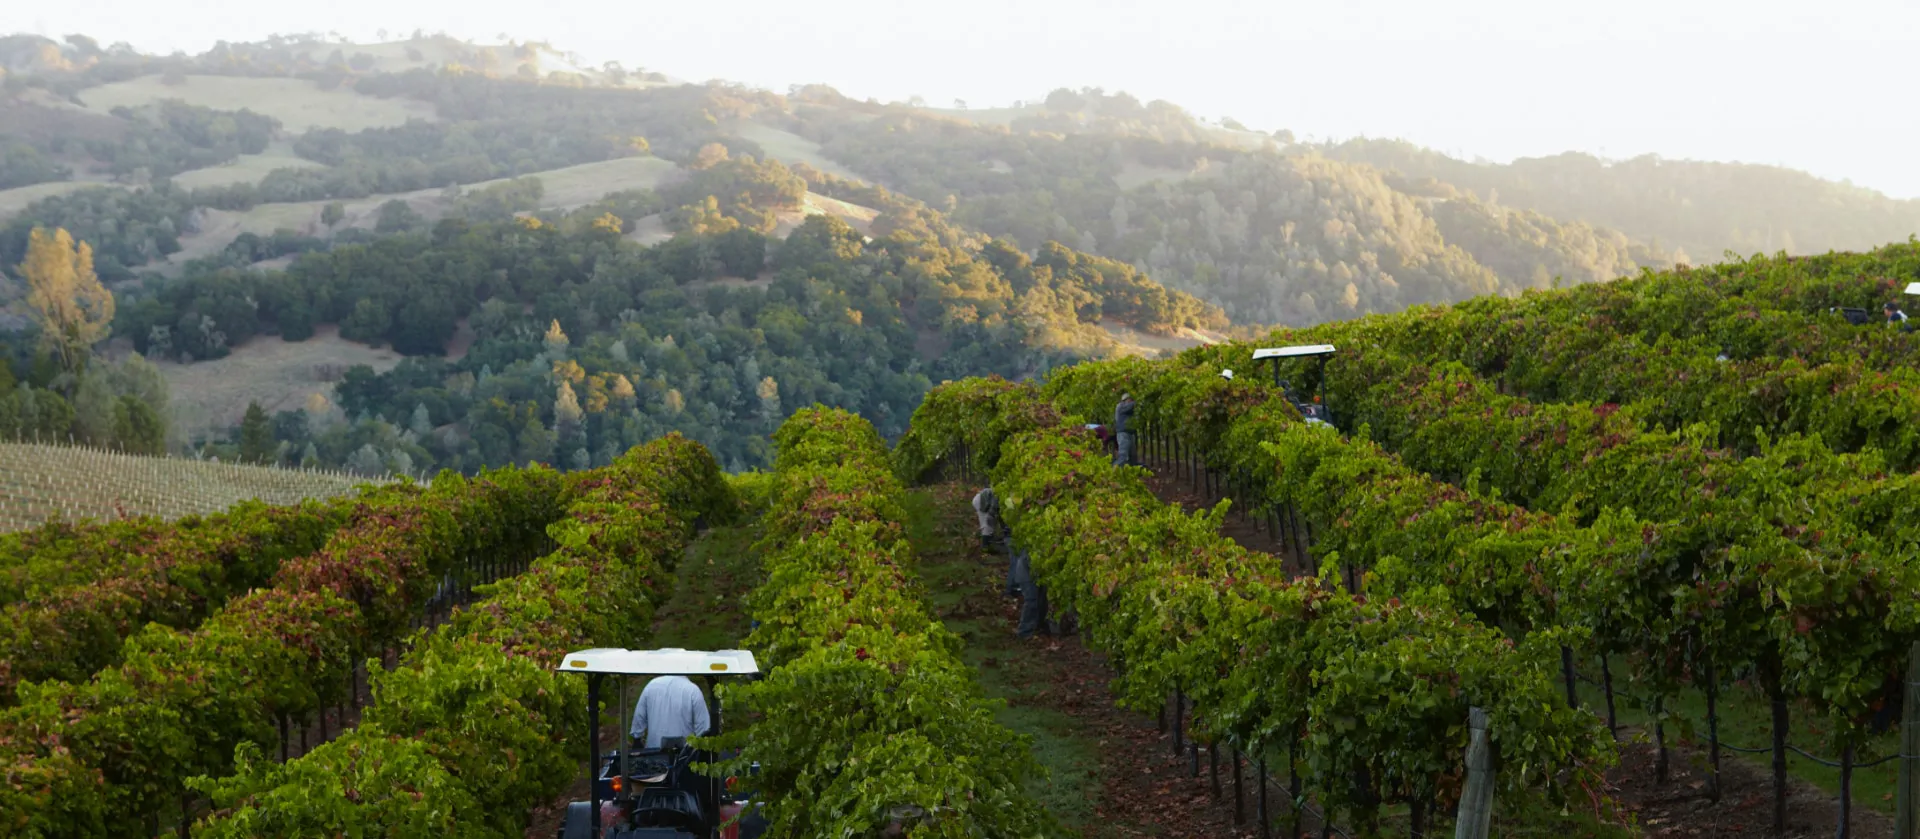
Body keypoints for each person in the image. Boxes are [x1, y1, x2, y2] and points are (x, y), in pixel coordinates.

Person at [629, 674, 711, 750]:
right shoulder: (693, 690)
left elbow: (639, 718)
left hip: (653, 754)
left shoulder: (651, 686)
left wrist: (637, 739)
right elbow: (703, 728)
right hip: (684, 756)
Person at [1010, 545, 1053, 639]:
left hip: (1037, 576)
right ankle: (1024, 632)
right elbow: (1033, 565)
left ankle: (1038, 626)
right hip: (1026, 577)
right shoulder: (1035, 544)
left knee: (1042, 601)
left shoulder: (1044, 543)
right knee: (1031, 601)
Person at [1113, 393, 1137, 467]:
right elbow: (1129, 406)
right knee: (1123, 456)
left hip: (1129, 433)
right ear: (1125, 400)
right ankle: (1113, 472)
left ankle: (1130, 474)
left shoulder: (1128, 408)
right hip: (1123, 434)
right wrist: (1138, 401)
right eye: (1130, 400)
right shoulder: (1121, 406)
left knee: (1133, 456)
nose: (1131, 401)